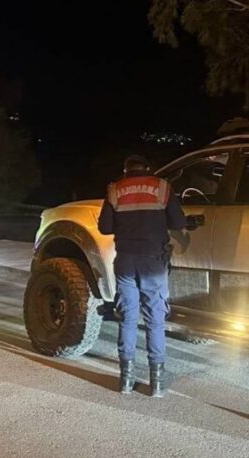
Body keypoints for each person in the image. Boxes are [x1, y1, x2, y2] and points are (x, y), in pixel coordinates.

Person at [98, 154, 187, 397]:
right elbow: (178, 221)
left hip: (126, 260)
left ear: (125, 170)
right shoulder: (162, 187)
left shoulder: (115, 189)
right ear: (148, 168)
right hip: (153, 262)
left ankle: (126, 381)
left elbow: (105, 227)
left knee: (128, 317)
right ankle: (156, 383)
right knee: (154, 319)